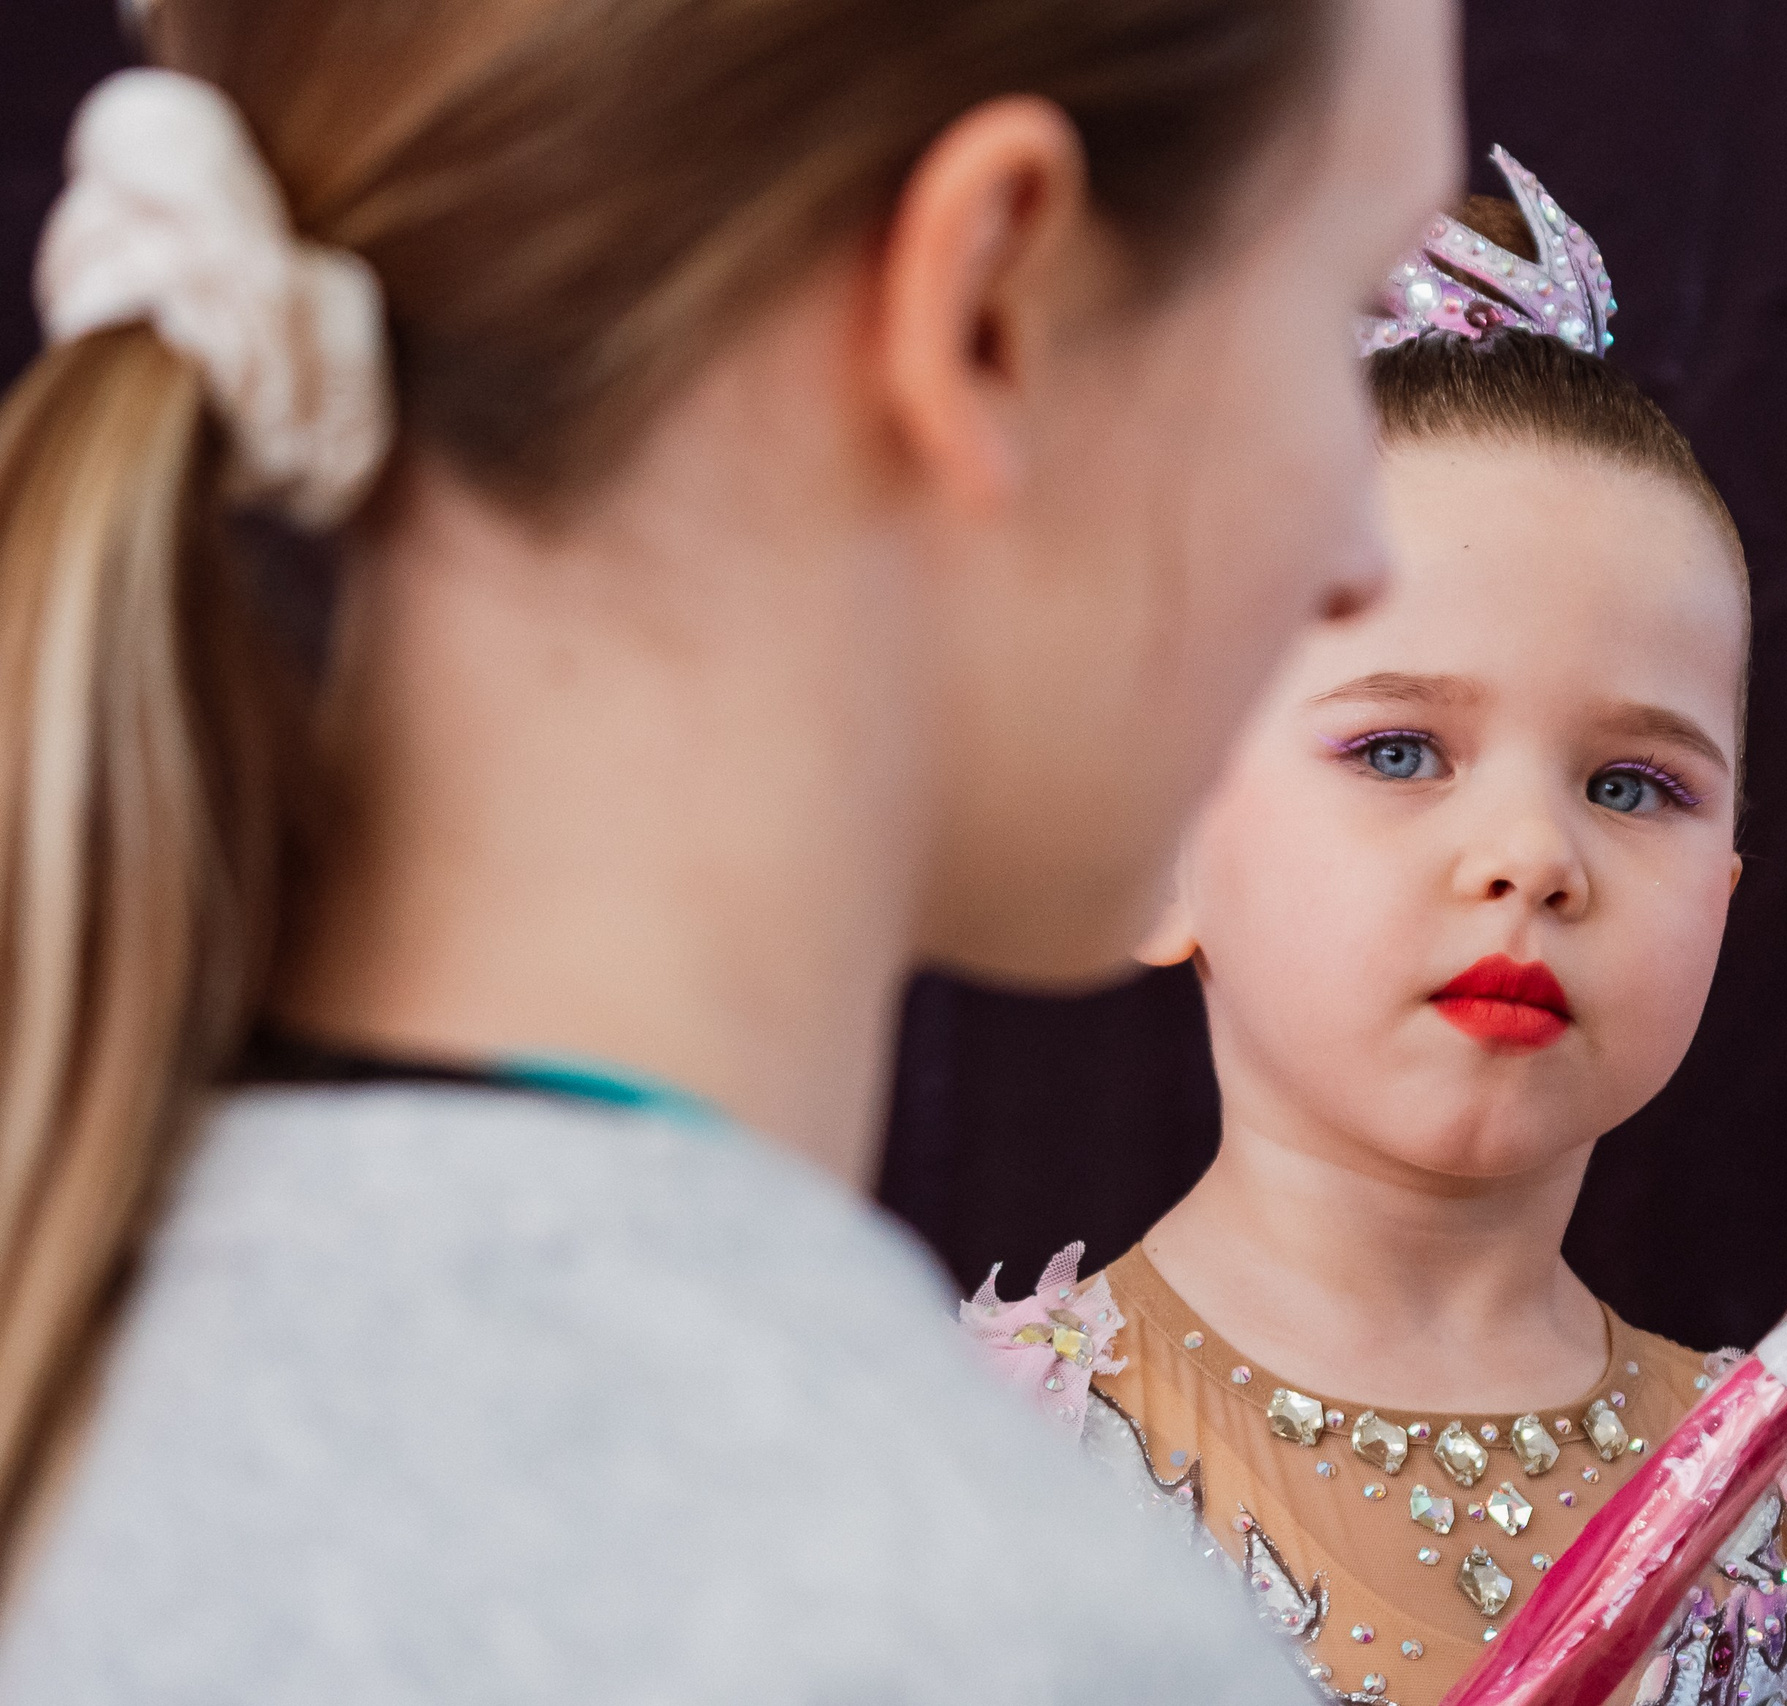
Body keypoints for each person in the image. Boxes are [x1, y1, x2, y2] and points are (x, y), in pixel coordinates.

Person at [0, 0, 1458, 1697]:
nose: (1359, 550)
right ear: (994, 301)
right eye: (1344, 314)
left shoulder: (78, 1343)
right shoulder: (989, 1633)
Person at [967, 152, 1787, 1706]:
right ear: (1157, 844)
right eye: (1399, 751)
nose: (1535, 857)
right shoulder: (961, 1476)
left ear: (1728, 894)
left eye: (1634, 782)